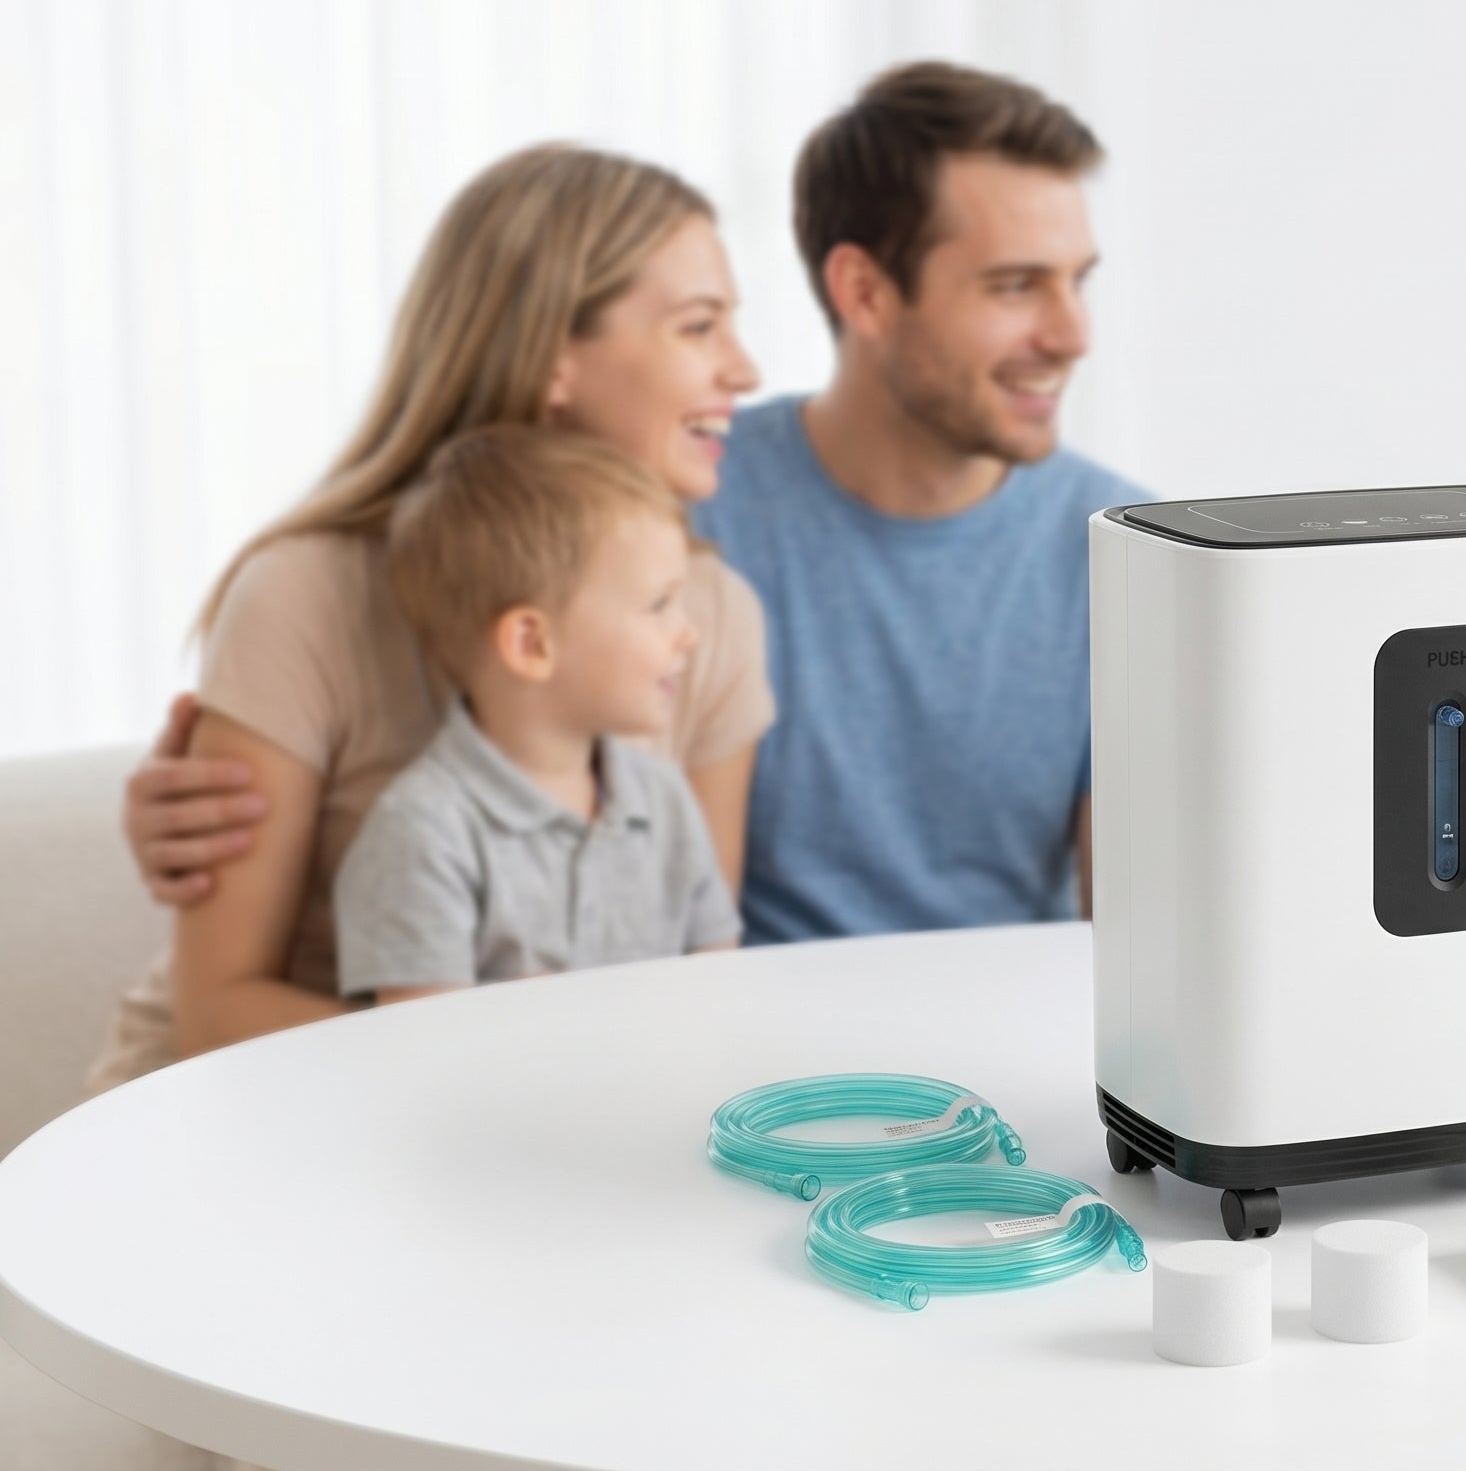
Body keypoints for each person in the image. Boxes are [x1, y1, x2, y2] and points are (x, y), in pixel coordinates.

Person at [97, 145, 770, 1086]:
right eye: (699, 326)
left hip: (541, 1118)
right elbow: (217, 1014)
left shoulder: (711, 614)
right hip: (260, 1105)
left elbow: (690, 976)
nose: (745, 369)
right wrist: (509, 1074)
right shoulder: (305, 596)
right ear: (553, 356)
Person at [695, 61, 1145, 942]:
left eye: (1077, 281)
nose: (1072, 335)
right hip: (751, 1022)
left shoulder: (1131, 559)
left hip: (1016, 1027)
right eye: (1016, 285)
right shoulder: (688, 513)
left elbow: (1138, 954)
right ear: (864, 292)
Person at [333, 428, 739, 1002]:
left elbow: (720, 998)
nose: (688, 633)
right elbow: (422, 1049)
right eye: (658, 605)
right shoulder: (423, 834)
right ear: (532, 644)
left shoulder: (666, 799)